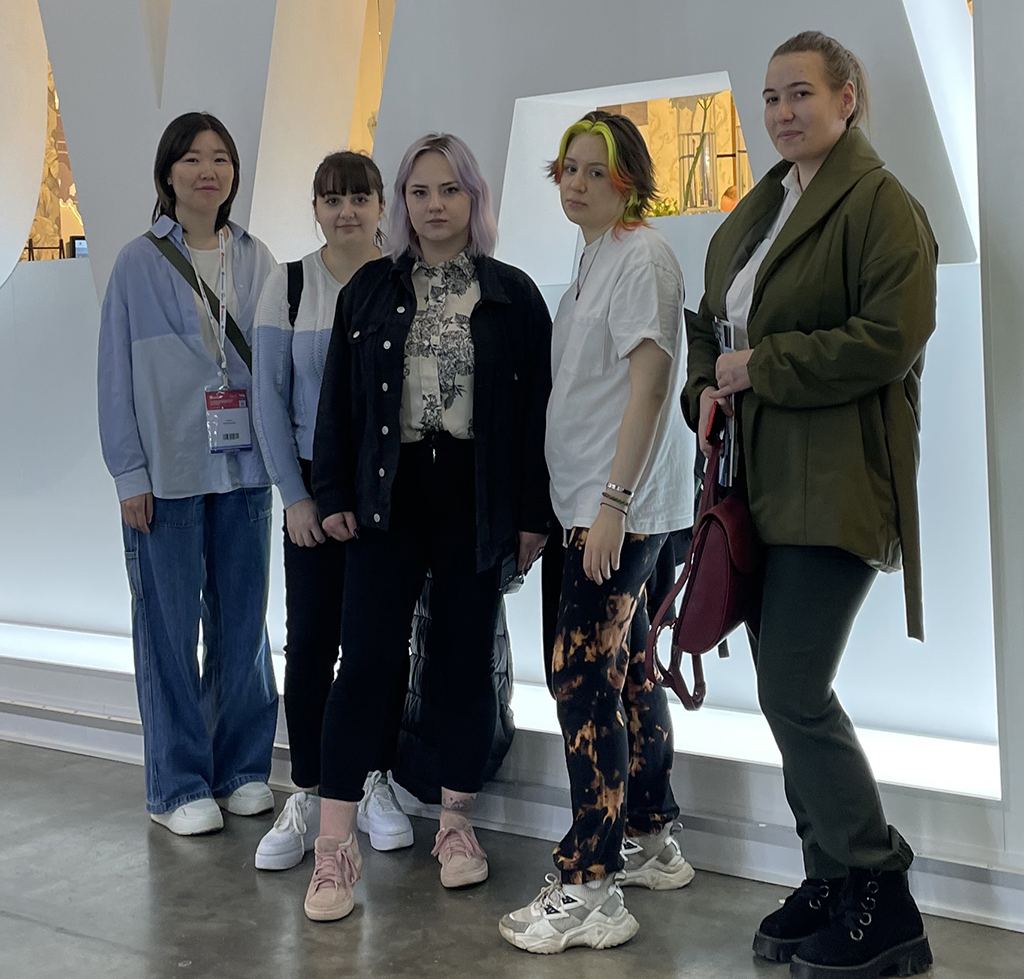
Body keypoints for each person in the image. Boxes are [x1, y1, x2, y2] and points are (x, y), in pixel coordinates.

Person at [685, 32, 937, 979]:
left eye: (800, 93)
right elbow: (709, 328)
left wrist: (763, 366)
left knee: (793, 689)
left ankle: (883, 890)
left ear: (847, 97)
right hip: (757, 485)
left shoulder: (882, 205)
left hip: (836, 483)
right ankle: (830, 880)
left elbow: (890, 337)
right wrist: (704, 386)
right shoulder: (765, 209)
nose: (782, 113)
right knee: (783, 693)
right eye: (770, 98)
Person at [305, 133, 554, 922]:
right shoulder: (370, 290)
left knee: (461, 661)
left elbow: (535, 415)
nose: (435, 205)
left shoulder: (513, 295)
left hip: (476, 497)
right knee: (364, 662)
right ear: (402, 203)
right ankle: (333, 848)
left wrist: (533, 514)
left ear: (475, 198)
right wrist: (330, 489)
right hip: (389, 494)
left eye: (450, 190)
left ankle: (455, 823)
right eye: (420, 191)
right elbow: (339, 401)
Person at [500, 110, 693, 954]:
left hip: (614, 510)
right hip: (589, 502)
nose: (576, 184)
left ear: (629, 178)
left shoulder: (642, 257)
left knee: (581, 681)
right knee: (627, 670)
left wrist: (613, 503)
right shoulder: (597, 255)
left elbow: (650, 385)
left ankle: (591, 886)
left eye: (594, 170)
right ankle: (650, 834)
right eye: (567, 170)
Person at [98, 112, 279, 836]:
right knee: (168, 631)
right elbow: (115, 376)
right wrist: (127, 473)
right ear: (168, 173)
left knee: (244, 626)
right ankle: (174, 785)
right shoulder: (137, 263)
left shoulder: (257, 258)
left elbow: (275, 363)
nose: (209, 170)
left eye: (221, 158)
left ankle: (240, 767)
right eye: (193, 158)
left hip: (246, 466)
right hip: (166, 471)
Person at [250, 152, 414, 871]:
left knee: (382, 640)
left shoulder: (405, 281)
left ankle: (375, 779)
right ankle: (312, 788)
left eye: (359, 197)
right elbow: (267, 399)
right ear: (315, 209)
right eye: (331, 199)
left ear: (381, 205)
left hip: (387, 483)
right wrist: (295, 495)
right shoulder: (288, 286)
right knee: (312, 638)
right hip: (314, 485)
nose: (346, 211)